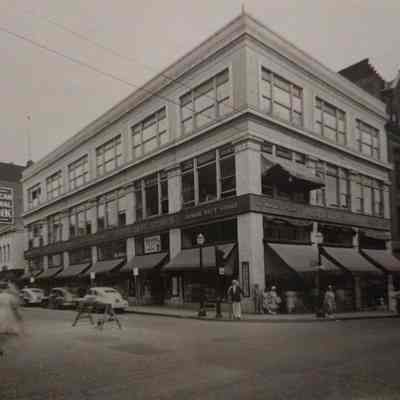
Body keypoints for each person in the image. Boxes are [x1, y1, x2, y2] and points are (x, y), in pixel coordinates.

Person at [0, 281, 25, 356]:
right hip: (7, 314)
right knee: (4, 332)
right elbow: (15, 307)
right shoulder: (10, 297)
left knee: (2, 332)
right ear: (7, 288)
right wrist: (19, 316)